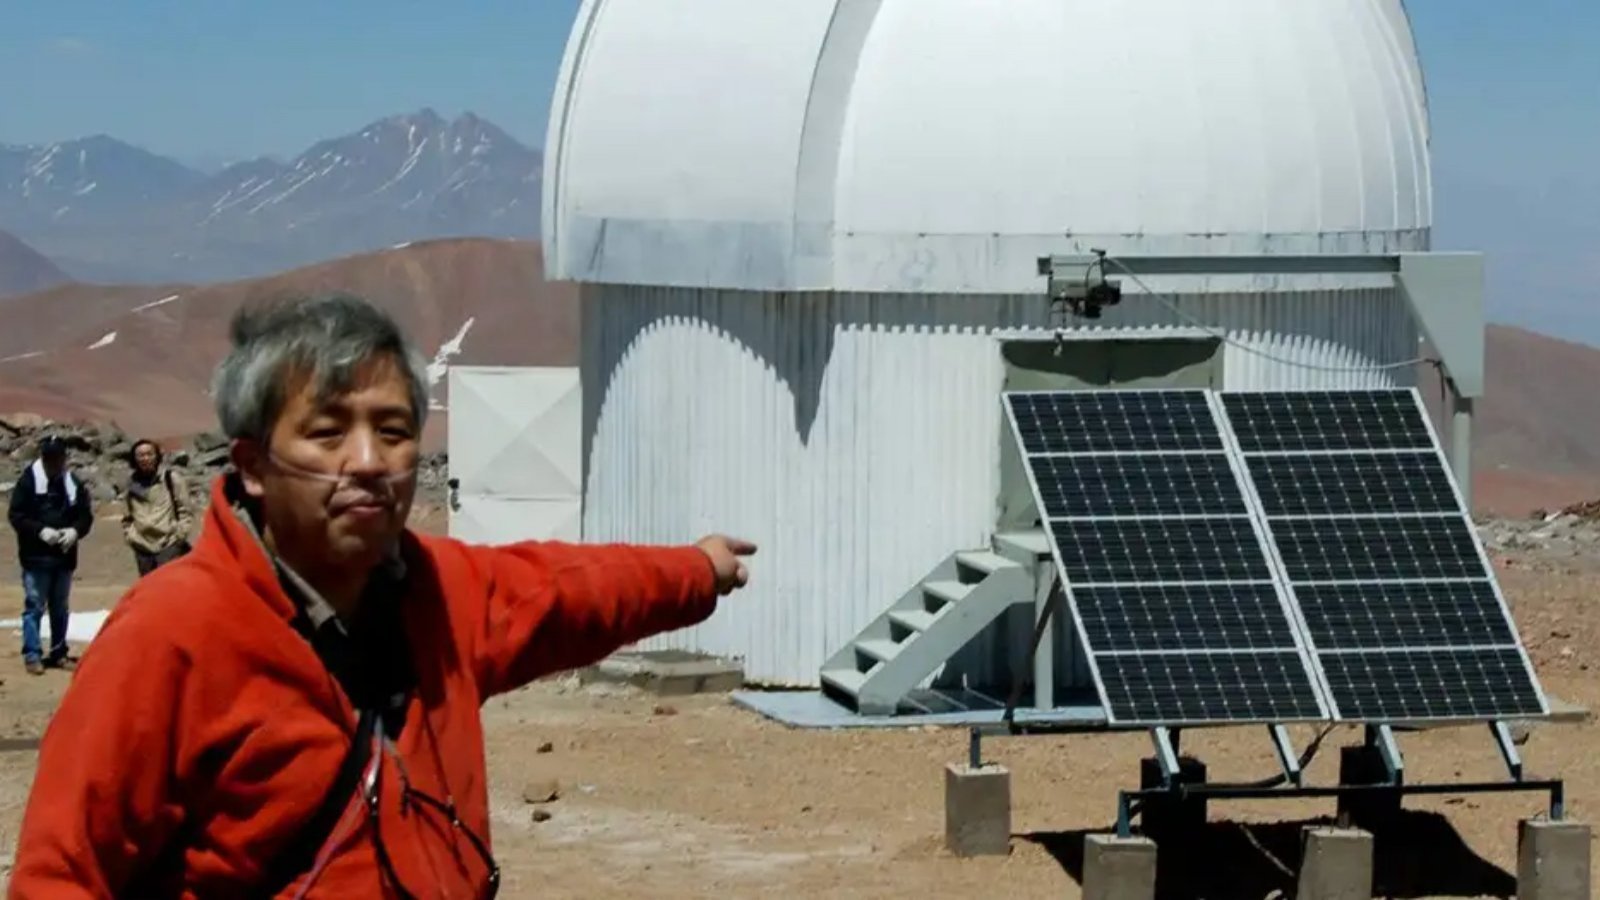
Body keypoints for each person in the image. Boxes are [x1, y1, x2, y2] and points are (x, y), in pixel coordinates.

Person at [9, 294, 756, 898]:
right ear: (255, 465)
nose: (368, 462)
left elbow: (569, 592)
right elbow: (64, 874)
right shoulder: (172, 634)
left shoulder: (443, 591)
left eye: (393, 431)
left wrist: (696, 570)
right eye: (328, 433)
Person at [6, 435, 93, 676]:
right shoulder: (28, 482)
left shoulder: (72, 483)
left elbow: (85, 516)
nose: (54, 462)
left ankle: (58, 652)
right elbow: (17, 516)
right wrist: (40, 531)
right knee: (34, 605)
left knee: (60, 606)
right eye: (49, 457)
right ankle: (32, 654)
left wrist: (74, 532)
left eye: (58, 457)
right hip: (36, 558)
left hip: (64, 557)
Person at [121, 438, 194, 575]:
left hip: (169, 544)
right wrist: (131, 536)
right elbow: (127, 516)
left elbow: (185, 511)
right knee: (149, 591)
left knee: (169, 589)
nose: (145, 458)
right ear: (134, 459)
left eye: (149, 454)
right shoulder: (131, 484)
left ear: (157, 456)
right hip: (142, 546)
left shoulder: (171, 479)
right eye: (141, 455)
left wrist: (179, 536)